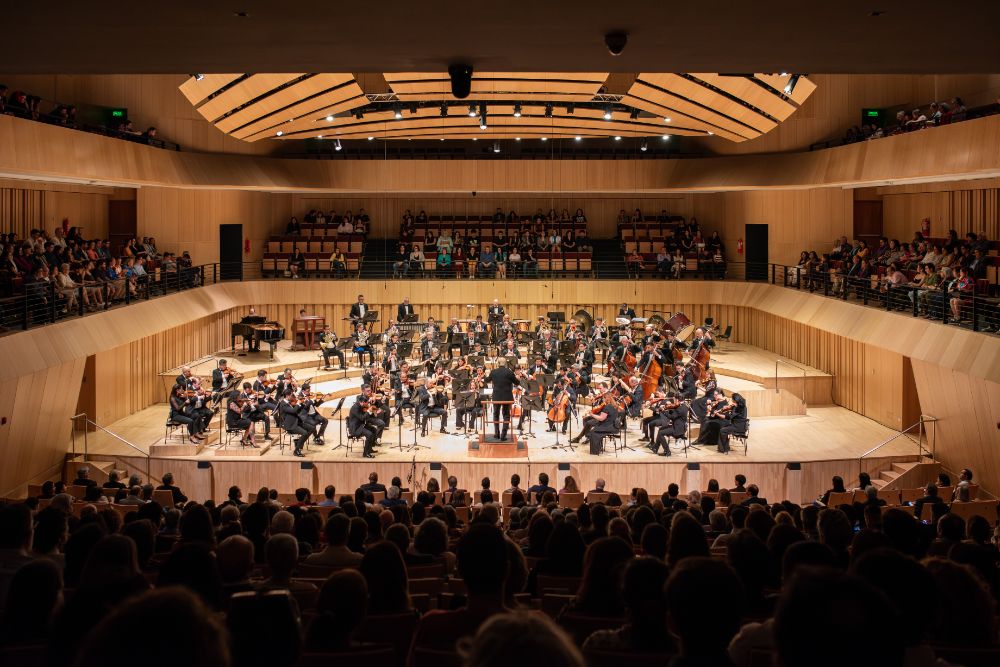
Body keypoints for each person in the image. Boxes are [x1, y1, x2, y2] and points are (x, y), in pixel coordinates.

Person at [487, 358, 519, 441]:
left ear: (498, 363)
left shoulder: (493, 372)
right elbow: (517, 383)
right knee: (506, 415)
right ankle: (503, 435)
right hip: (507, 397)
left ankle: (496, 434)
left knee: (496, 414)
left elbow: (487, 380)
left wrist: (483, 377)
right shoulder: (509, 372)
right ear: (505, 364)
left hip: (496, 396)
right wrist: (517, 377)